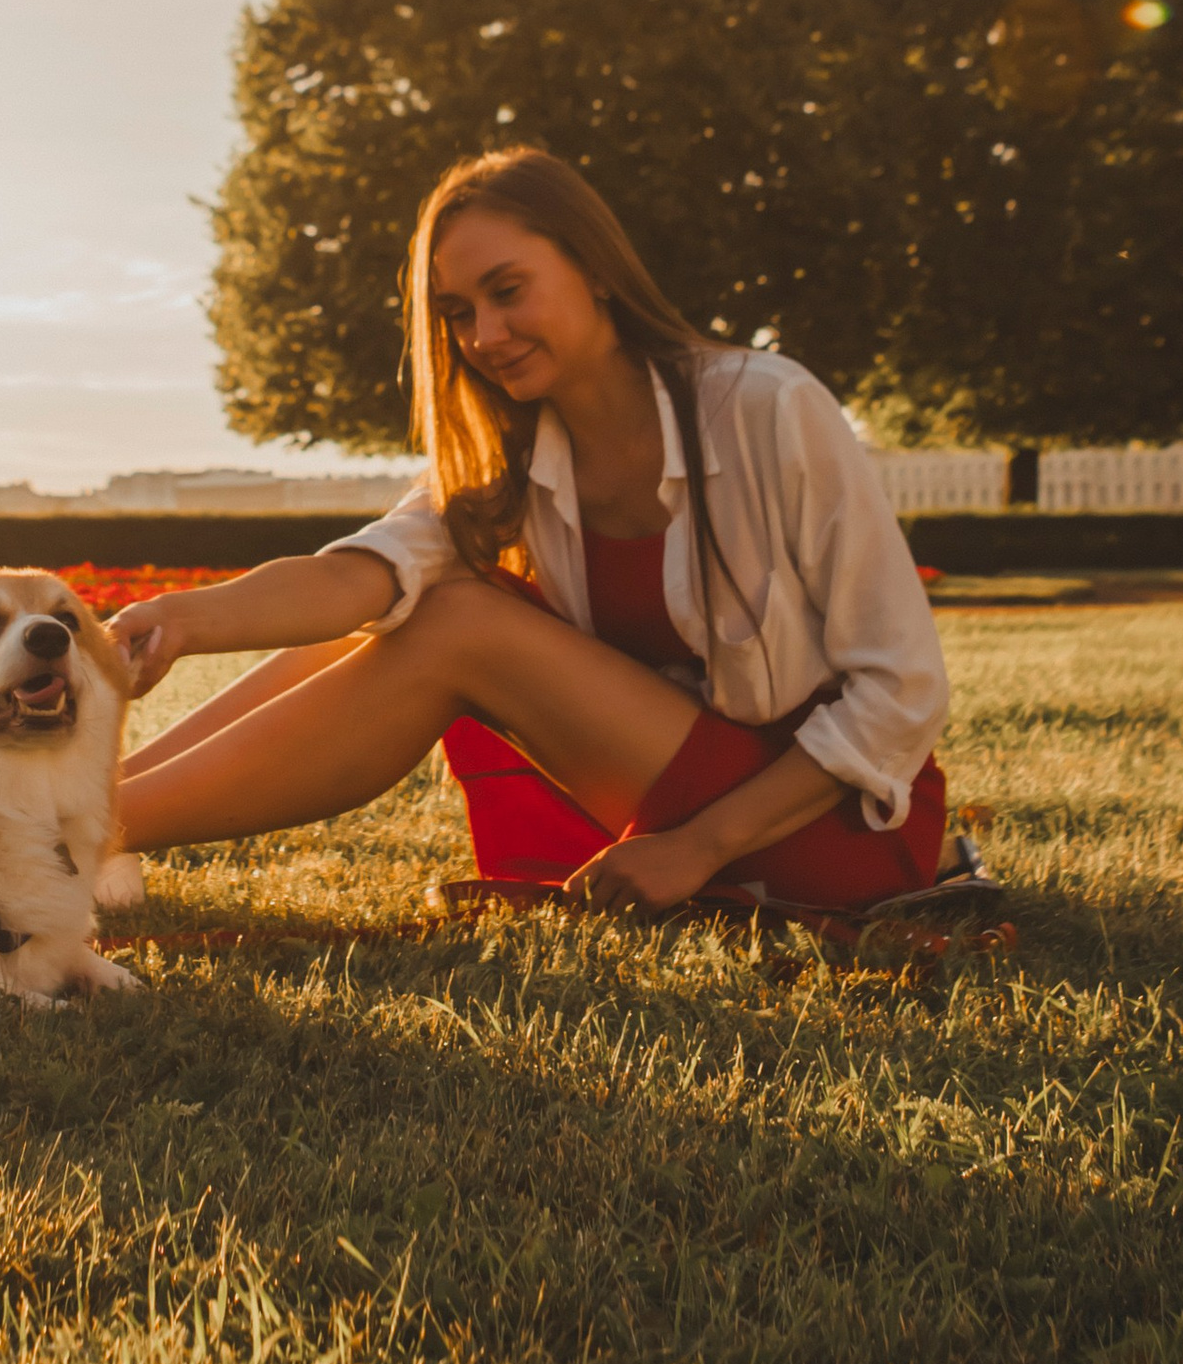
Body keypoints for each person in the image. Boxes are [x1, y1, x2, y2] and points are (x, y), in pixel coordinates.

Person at [106, 146, 951, 914]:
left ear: (597, 270)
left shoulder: (767, 406)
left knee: (459, 619)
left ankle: (67, 838)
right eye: (457, 312)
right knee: (405, 600)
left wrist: (697, 848)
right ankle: (75, 810)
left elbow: (901, 692)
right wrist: (183, 619)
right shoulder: (510, 459)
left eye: (507, 292)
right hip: (671, 797)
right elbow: (354, 580)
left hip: (833, 828)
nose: (484, 336)